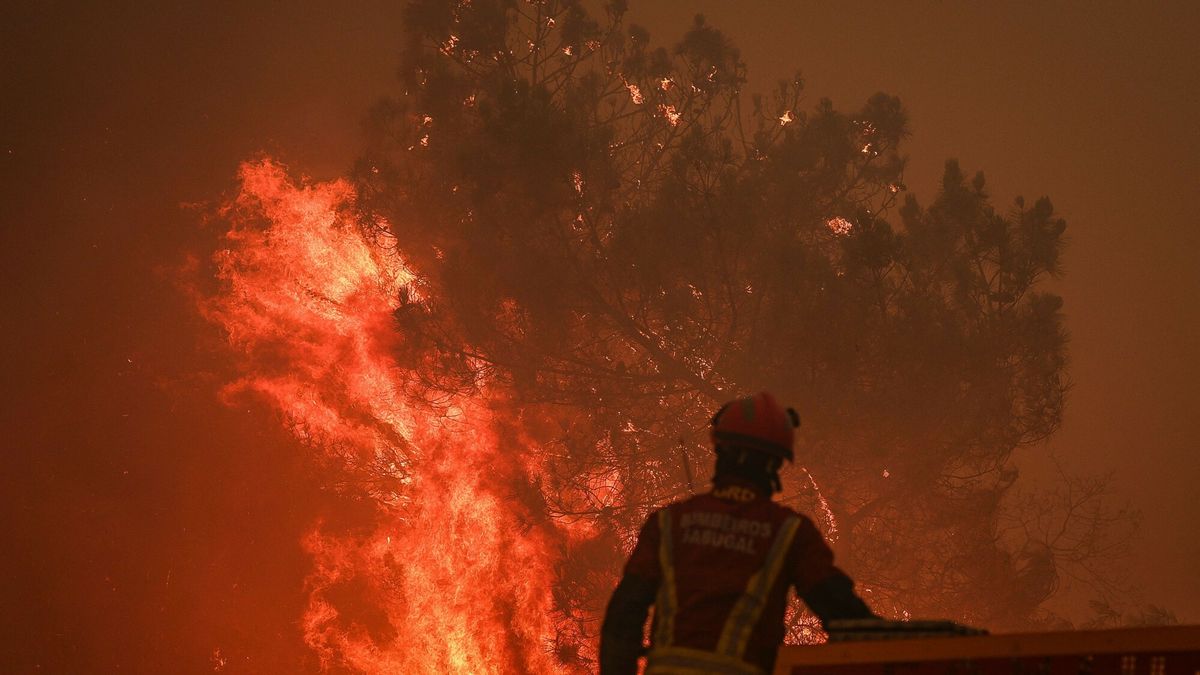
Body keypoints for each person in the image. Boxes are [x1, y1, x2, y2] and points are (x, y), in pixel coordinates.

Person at [599, 392, 877, 675]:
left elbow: (624, 616)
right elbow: (844, 615)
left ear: (720, 449)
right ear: (776, 463)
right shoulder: (789, 532)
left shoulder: (669, 522)